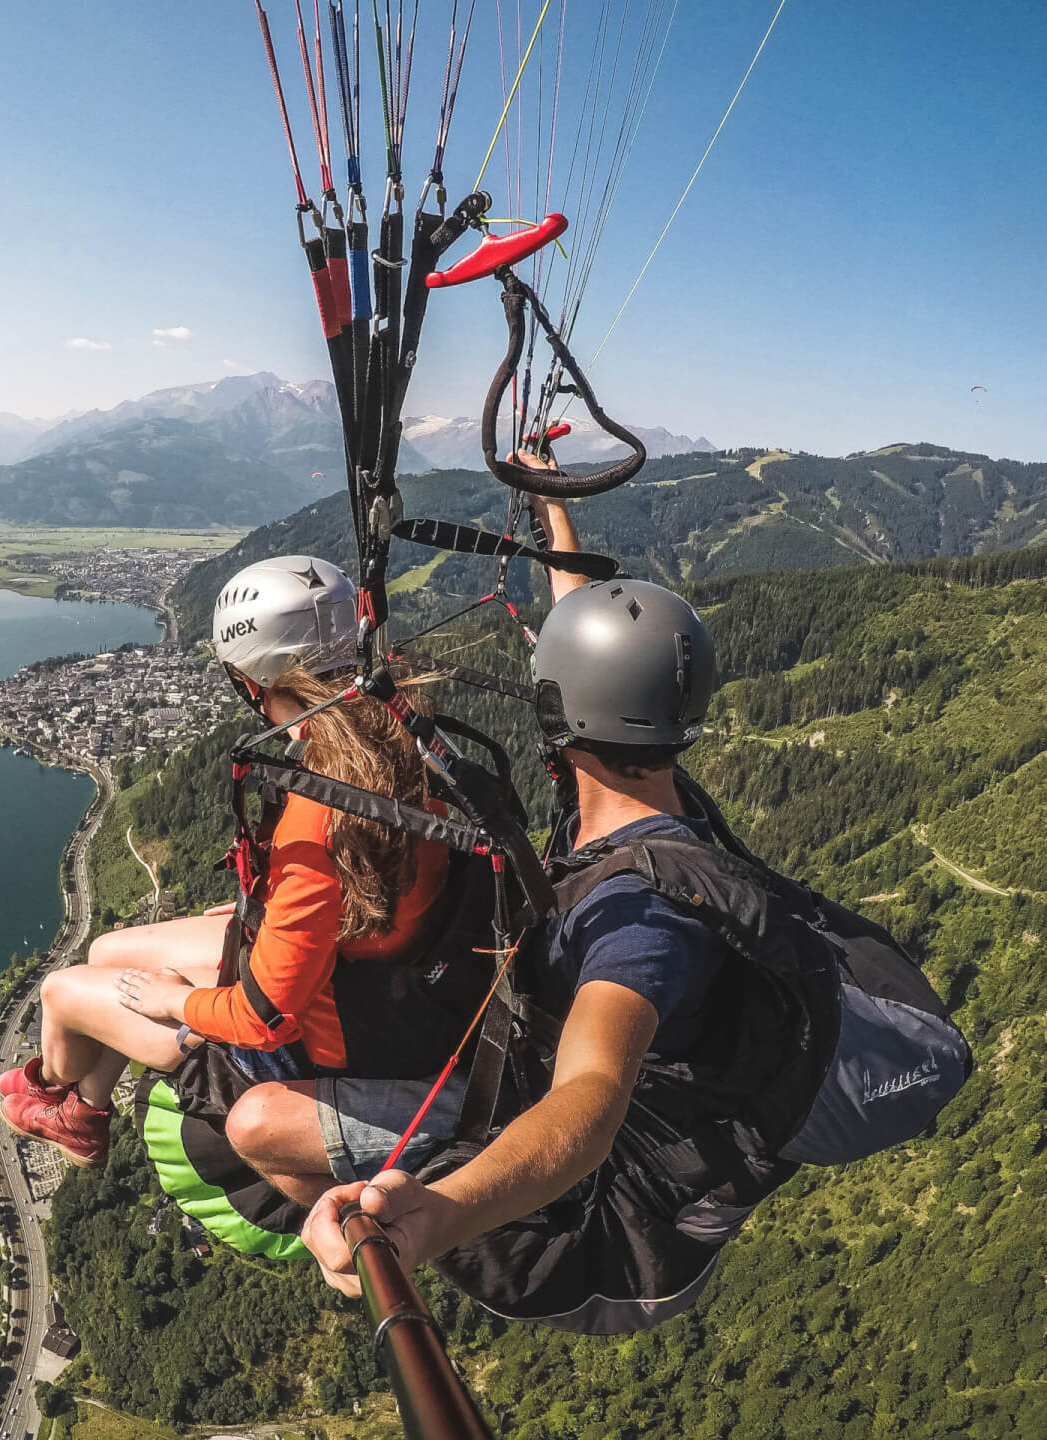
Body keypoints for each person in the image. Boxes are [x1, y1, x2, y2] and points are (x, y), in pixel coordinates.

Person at [298, 482, 785, 1333]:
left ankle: (327, 1231)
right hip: (551, 1081)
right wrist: (550, 513)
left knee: (264, 1121)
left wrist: (443, 1211)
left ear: (559, 714)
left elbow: (592, 1094)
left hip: (598, 1224)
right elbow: (597, 642)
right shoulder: (650, 795)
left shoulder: (639, 917)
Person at [0, 555, 472, 1178]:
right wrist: (274, 914)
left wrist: (179, 1003)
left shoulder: (322, 809)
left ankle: (51, 1095)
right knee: (110, 949)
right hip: (384, 978)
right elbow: (363, 891)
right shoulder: (409, 742)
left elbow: (264, 1019)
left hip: (327, 1038)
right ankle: (79, 1109)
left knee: (61, 993)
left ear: (254, 682)